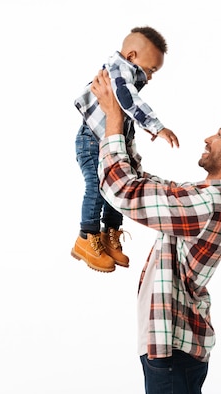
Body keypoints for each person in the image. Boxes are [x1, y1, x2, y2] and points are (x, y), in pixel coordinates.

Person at [90, 69, 221, 394]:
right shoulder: (205, 196)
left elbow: (124, 191)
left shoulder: (213, 205)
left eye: (220, 134)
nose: (209, 137)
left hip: (173, 349)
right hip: (173, 347)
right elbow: (145, 183)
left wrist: (113, 125)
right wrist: (124, 124)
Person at [72, 26, 179, 273]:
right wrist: (157, 126)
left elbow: (125, 112)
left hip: (111, 141)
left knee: (117, 187)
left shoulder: (125, 74)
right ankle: (86, 237)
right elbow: (129, 101)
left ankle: (110, 233)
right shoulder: (119, 72)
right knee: (97, 187)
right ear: (131, 57)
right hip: (91, 141)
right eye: (150, 70)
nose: (149, 77)